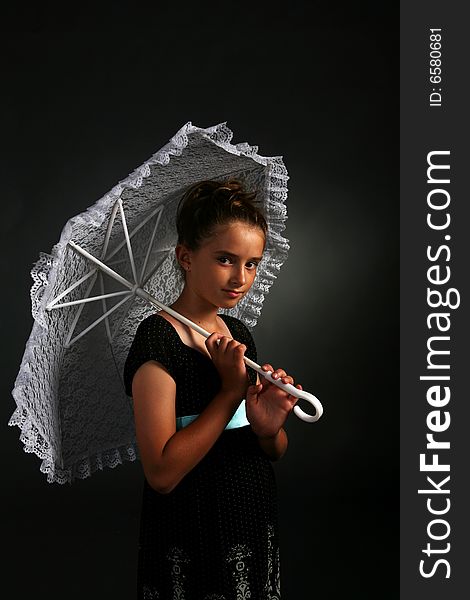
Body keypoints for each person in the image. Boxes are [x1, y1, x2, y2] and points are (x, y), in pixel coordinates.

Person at [123, 179, 302, 599]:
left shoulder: (236, 333)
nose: (241, 277)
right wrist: (229, 393)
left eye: (252, 263)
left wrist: (267, 427)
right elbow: (162, 474)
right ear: (186, 257)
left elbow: (272, 451)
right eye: (225, 259)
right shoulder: (157, 342)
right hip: (192, 523)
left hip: (249, 513)